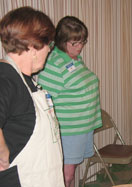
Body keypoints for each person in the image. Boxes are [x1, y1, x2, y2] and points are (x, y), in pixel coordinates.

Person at [0, 7, 65, 187]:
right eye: (49, 45)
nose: (49, 51)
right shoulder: (5, 78)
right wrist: (2, 152)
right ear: (34, 47)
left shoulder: (25, 80)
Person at [38, 16, 102, 187]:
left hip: (80, 127)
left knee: (69, 173)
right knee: (66, 176)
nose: (80, 47)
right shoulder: (54, 63)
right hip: (67, 130)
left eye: (82, 41)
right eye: (75, 43)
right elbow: (44, 101)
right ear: (62, 40)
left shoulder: (73, 59)